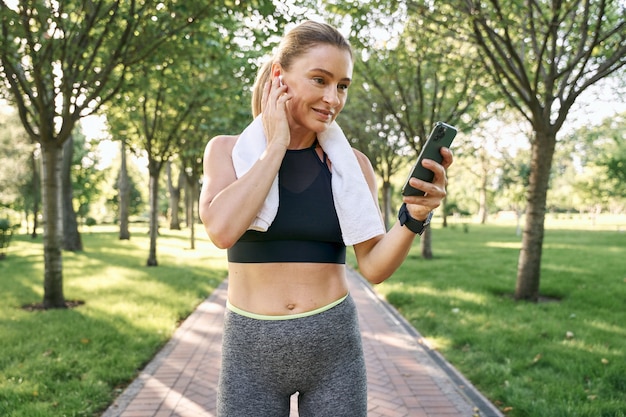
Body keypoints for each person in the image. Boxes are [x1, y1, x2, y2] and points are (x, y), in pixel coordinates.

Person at [199, 20, 452, 417]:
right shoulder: (227, 152)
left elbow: (374, 266)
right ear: (279, 77)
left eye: (342, 86)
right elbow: (222, 230)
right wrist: (277, 144)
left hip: (334, 350)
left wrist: (413, 217)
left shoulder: (354, 166)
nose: (333, 98)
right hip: (250, 354)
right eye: (320, 80)